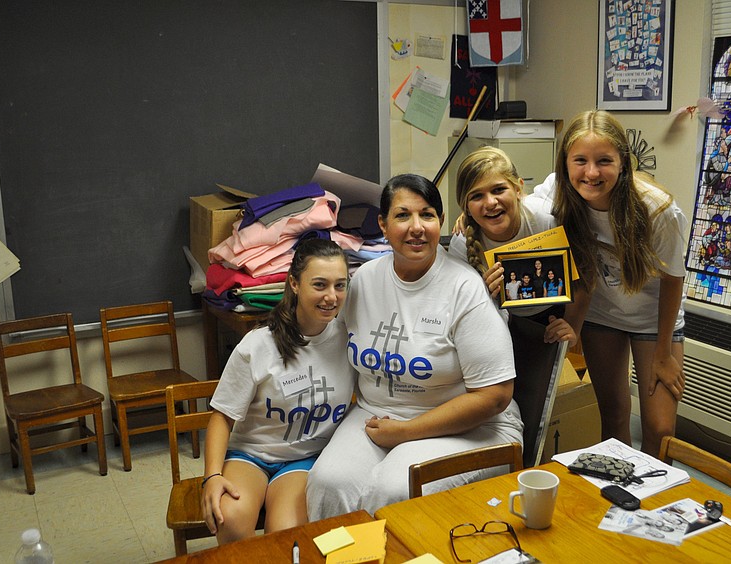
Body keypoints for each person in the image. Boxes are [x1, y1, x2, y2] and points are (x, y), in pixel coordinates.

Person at [306, 173, 524, 519]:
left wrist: (406, 432)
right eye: (403, 215)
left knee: (395, 487)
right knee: (328, 481)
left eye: (427, 215)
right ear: (383, 224)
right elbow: (330, 349)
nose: (416, 227)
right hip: (378, 415)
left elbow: (495, 396)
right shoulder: (363, 281)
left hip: (473, 427)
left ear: (441, 222)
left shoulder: (464, 289)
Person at [533, 109, 687, 457]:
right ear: (565, 163)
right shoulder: (557, 191)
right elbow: (516, 209)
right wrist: (470, 214)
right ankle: (620, 497)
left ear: (623, 162)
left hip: (654, 319)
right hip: (603, 316)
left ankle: (653, 502)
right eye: (580, 161)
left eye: (604, 160)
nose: (591, 172)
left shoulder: (658, 209)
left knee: (660, 428)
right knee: (614, 416)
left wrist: (664, 353)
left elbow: (673, 280)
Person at [201, 239, 355, 544]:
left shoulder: (350, 338)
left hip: (304, 458)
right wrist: (212, 476)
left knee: (287, 537)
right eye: (320, 285)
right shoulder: (258, 345)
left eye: (340, 285)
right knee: (229, 518)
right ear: (294, 284)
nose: (331, 297)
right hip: (251, 454)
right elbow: (222, 418)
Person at [449, 145, 575, 343]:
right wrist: (484, 293)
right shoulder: (461, 244)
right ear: (466, 206)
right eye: (477, 196)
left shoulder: (547, 220)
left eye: (499, 190)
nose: (490, 202)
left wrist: (572, 326)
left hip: (553, 318)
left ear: (518, 189)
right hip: (494, 324)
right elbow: (459, 310)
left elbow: (581, 282)